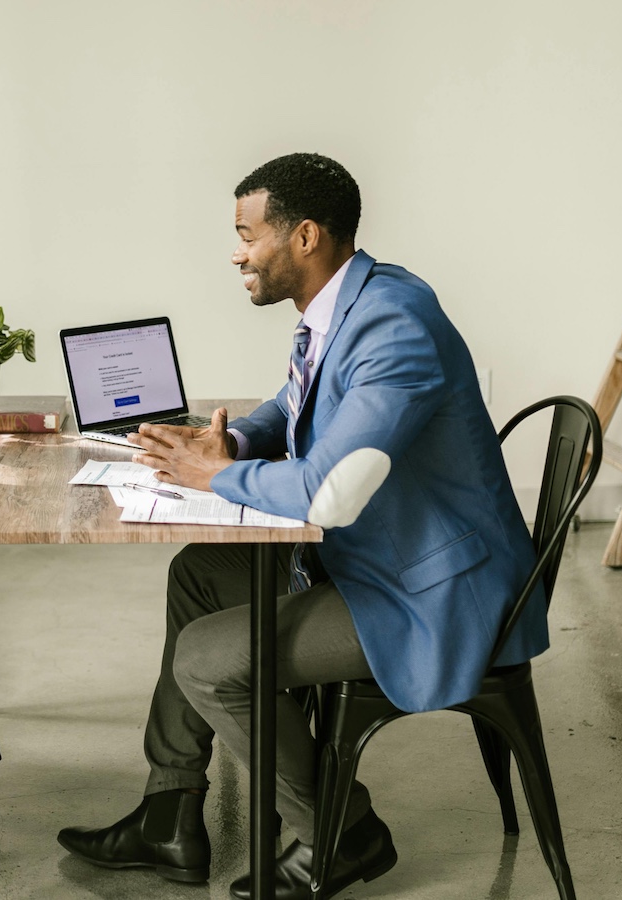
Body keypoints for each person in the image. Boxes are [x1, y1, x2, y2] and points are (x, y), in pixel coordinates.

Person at [57, 153, 546, 900]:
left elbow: (330, 496)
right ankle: (170, 811)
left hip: (434, 590)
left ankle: (342, 833)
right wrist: (236, 443)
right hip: (386, 555)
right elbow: (296, 406)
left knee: (205, 658)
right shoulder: (351, 302)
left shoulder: (393, 325)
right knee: (198, 573)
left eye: (247, 234)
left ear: (306, 236)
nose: (236, 252)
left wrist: (210, 476)